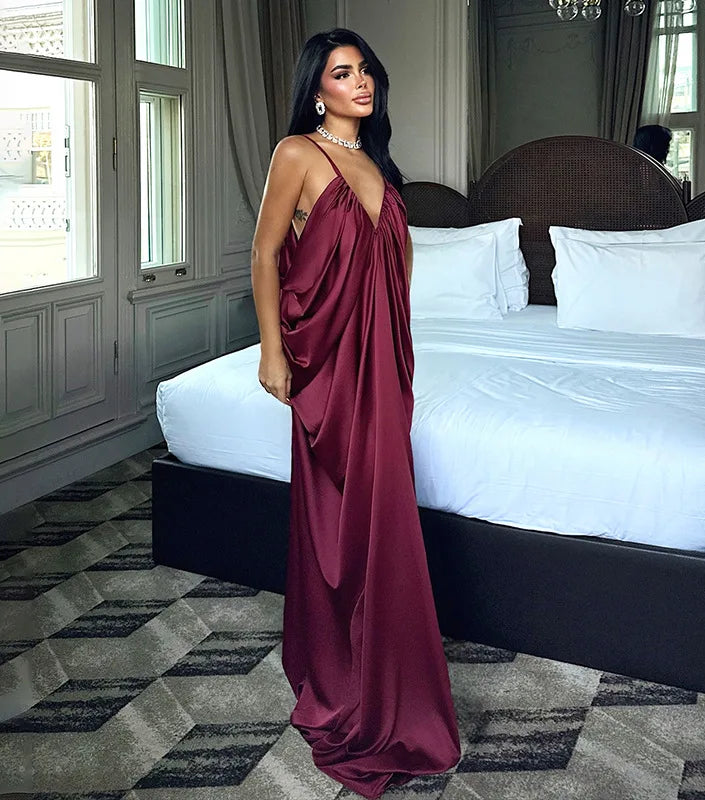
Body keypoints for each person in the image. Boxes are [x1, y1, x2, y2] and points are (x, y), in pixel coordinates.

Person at [250, 27, 462, 800]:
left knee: (384, 519)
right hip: (331, 364)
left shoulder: (379, 165)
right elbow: (265, 251)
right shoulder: (297, 154)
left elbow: (395, 273)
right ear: (318, 89)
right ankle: (343, 676)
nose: (362, 81)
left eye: (366, 69)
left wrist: (399, 356)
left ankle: (389, 679)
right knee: (344, 521)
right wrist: (274, 352)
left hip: (384, 365)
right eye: (344, 73)